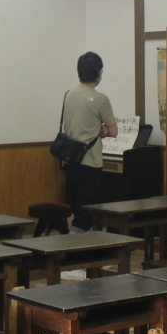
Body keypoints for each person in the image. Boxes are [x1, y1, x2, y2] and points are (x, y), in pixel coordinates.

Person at [61, 52, 117, 232]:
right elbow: (113, 131)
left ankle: (73, 240)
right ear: (99, 73)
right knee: (87, 214)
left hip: (70, 160)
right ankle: (75, 244)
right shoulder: (101, 99)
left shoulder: (69, 94)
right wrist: (104, 131)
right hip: (90, 161)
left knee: (76, 209)